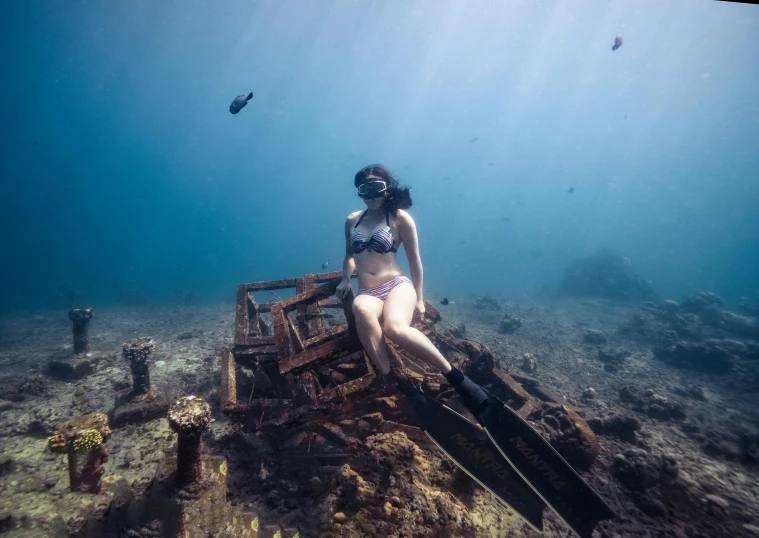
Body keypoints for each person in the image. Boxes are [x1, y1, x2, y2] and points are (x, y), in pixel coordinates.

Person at [335, 164, 488, 416]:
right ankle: (390, 377)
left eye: (377, 187)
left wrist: (419, 297)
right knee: (360, 308)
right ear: (359, 192)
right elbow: (350, 255)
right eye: (365, 189)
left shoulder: (399, 218)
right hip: (367, 292)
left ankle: (457, 378)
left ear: (387, 188)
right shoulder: (352, 220)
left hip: (396, 285)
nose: (371, 195)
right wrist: (344, 279)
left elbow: (414, 260)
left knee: (394, 329)